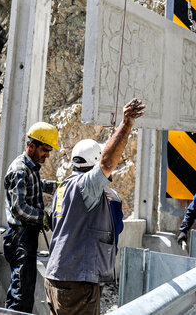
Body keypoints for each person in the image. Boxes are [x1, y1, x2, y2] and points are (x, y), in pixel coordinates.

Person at [44, 98, 145, 315]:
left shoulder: (63, 188)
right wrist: (126, 123)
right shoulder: (85, 185)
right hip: (76, 282)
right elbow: (107, 163)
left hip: (55, 277)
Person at [3, 121, 60, 312]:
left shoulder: (30, 168)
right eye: (45, 150)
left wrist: (60, 186)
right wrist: (43, 217)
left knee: (25, 292)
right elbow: (19, 208)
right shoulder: (19, 170)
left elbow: (36, 184)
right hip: (19, 238)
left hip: (25, 238)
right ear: (31, 146)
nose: (47, 155)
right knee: (20, 296)